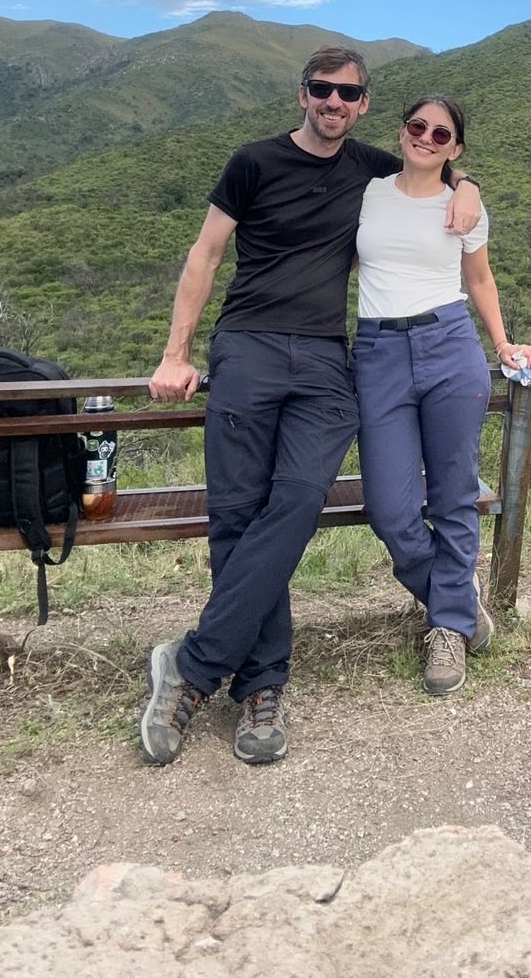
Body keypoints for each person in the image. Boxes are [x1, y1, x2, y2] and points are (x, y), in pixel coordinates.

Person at [139, 50, 481, 766]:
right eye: (322, 89)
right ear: (302, 95)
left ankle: (193, 665)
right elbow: (204, 256)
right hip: (248, 346)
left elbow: (435, 164)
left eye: (347, 92)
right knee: (238, 514)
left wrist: (468, 186)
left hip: (327, 359)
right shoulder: (252, 162)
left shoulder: (371, 168)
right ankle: (261, 686)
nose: (333, 101)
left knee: (296, 502)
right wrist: (177, 353)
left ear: (361, 104)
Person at [353, 95, 531, 696]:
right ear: (402, 132)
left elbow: (479, 277)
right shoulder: (368, 191)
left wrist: (505, 344)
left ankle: (446, 630)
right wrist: (469, 182)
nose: (427, 139)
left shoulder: (463, 207)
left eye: (442, 135)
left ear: (455, 148)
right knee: (389, 506)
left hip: (449, 343)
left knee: (455, 492)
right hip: (378, 352)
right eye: (417, 127)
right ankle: (456, 598)